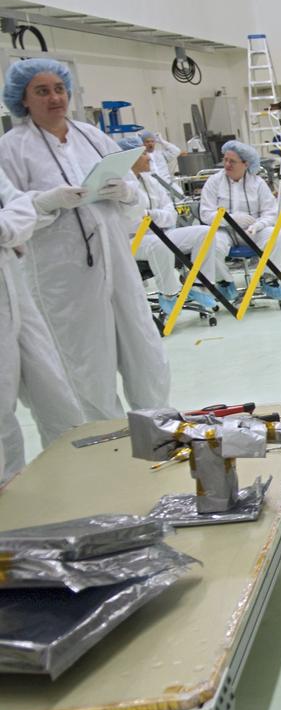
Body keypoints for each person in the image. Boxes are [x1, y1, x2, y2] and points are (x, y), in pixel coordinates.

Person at [0, 58, 170, 420]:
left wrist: (124, 192)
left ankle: (155, 428)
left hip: (117, 261)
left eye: (59, 89)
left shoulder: (90, 136)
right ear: (23, 99)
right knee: (87, 362)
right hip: (63, 275)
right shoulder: (12, 148)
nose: (54, 98)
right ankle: (106, 444)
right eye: (42, 91)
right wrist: (48, 202)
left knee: (144, 349)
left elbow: (134, 204)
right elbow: (11, 220)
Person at [0, 166, 86, 482]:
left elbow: (20, 205)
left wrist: (12, 224)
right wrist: (14, 223)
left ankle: (72, 475)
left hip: (11, 277)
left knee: (53, 386)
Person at [117, 135, 218, 317]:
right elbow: (132, 222)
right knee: (158, 244)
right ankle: (169, 293)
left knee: (205, 233)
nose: (149, 157)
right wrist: (155, 217)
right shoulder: (120, 186)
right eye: (144, 154)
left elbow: (170, 214)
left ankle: (197, 285)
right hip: (132, 241)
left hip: (162, 232)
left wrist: (152, 215)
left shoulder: (150, 180)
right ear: (131, 158)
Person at [198, 140, 281, 303]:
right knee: (209, 242)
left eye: (232, 161)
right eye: (225, 159)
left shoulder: (258, 184)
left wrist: (258, 225)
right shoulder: (214, 182)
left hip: (252, 231)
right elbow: (205, 213)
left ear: (246, 163)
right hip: (224, 231)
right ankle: (224, 282)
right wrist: (228, 219)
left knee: (278, 236)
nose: (227, 164)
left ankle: (269, 279)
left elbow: (271, 212)